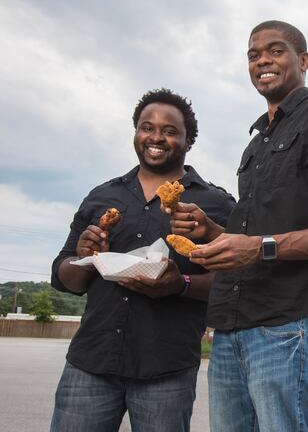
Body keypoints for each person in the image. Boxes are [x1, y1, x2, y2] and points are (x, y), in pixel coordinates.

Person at [171, 20, 308, 431]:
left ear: (303, 60)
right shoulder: (255, 143)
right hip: (228, 327)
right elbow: (249, 240)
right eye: (253, 54)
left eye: (275, 51)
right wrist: (210, 230)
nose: (262, 59)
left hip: (286, 324)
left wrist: (260, 247)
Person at [49, 88, 236, 431]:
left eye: (169, 131)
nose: (156, 137)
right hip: (90, 362)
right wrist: (84, 257)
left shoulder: (215, 205)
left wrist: (180, 284)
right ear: (136, 133)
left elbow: (234, 284)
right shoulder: (102, 196)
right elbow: (66, 278)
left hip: (166, 369)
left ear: (188, 141)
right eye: (147, 127)